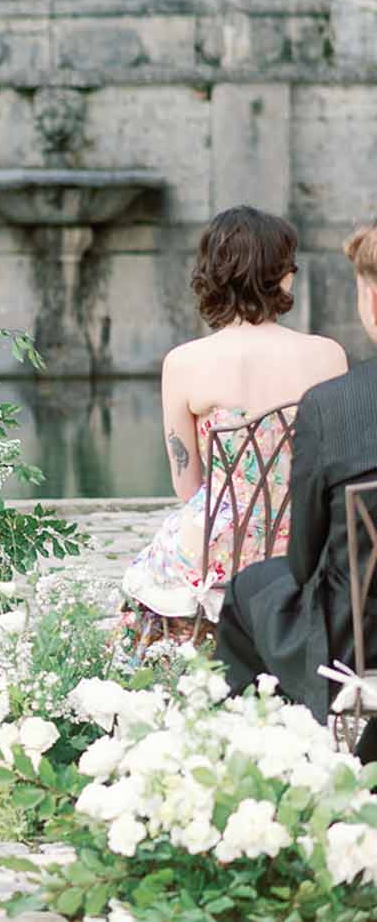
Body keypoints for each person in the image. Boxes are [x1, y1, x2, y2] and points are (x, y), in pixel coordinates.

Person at [120, 207, 346, 636]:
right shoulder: (328, 355)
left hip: (217, 547)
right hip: (305, 539)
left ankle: (185, 663)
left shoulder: (183, 363)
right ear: (282, 275)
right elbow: (336, 467)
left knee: (146, 583)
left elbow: (187, 487)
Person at [217, 219, 377, 759]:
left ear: (373, 303)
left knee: (247, 591)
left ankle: (273, 762)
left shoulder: (332, 406)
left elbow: (306, 559)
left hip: (360, 640)